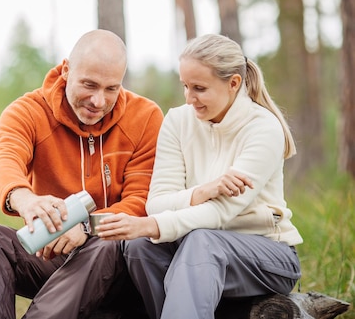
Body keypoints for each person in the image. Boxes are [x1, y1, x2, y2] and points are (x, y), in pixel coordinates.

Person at [0, 29, 164, 319]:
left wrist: (86, 227)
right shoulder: (29, 111)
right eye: (89, 85)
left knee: (109, 243)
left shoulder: (146, 117)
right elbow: (3, 157)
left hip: (116, 264)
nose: (98, 101)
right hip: (55, 256)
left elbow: (142, 199)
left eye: (111, 89)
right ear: (66, 70)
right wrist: (25, 199)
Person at [94, 33, 303, 319]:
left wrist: (150, 225)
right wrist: (200, 191)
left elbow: (220, 214)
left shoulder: (263, 128)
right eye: (185, 86)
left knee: (202, 241)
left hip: (267, 256)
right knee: (139, 246)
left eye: (200, 88)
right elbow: (157, 202)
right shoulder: (178, 121)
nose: (189, 98)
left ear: (233, 84)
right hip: (196, 252)